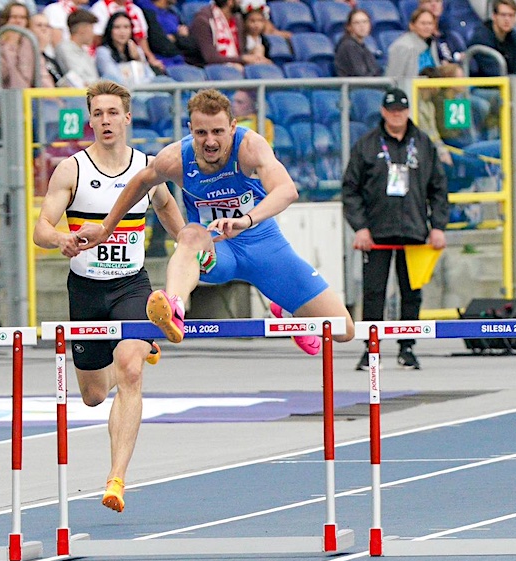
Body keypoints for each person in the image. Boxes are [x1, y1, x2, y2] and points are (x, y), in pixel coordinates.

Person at [76, 88, 355, 355]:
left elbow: (286, 190)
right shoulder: (175, 158)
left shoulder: (249, 147)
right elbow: (139, 182)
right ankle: (174, 306)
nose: (210, 141)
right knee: (190, 234)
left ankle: (284, 306)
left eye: (218, 132)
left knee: (344, 329)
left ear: (232, 127)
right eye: (201, 133)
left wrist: (246, 220)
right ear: (190, 130)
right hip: (215, 252)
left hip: (263, 247)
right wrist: (106, 228)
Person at [32, 80, 185, 513]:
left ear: (127, 117)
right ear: (90, 119)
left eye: (112, 113)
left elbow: (173, 218)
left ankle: (116, 479)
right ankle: (141, 348)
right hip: (85, 289)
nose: (105, 121)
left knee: (131, 371)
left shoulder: (148, 168)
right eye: (97, 114)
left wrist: (199, 255)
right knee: (94, 395)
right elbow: (42, 227)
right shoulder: (72, 169)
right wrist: (60, 239)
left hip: (132, 285)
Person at [342, 88, 449, 371]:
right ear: (383, 112)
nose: (396, 115)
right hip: (376, 233)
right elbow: (350, 190)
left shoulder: (424, 144)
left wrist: (437, 226)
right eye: (391, 110)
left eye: (401, 110)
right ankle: (371, 348)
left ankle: (407, 347)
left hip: (414, 232)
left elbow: (438, 189)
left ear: (408, 111)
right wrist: (360, 228)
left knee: (411, 291)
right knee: (374, 291)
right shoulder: (366, 144)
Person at [469, 0, 516, 159]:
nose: (507, 20)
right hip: (482, 88)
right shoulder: (481, 35)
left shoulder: (515, 34)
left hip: (509, 83)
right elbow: (493, 73)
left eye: (511, 16)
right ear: (494, 16)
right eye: (503, 15)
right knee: (509, 97)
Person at [185, 0, 269, 70]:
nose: (241, 2)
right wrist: (242, 59)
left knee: (259, 52)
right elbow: (210, 57)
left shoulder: (237, 20)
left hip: (237, 66)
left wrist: (256, 56)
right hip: (210, 70)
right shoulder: (203, 20)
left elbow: (242, 51)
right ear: (230, 2)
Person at [96, 11, 155, 86]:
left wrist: (138, 59)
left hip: (143, 90)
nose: (122, 32)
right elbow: (112, 77)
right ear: (110, 30)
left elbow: (151, 75)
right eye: (117, 27)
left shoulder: (137, 49)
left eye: (126, 27)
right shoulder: (103, 52)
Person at [383, 7, 439, 80]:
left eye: (430, 23)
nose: (427, 27)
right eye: (423, 23)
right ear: (412, 26)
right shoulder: (402, 46)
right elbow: (394, 78)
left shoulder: (431, 43)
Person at [55, 8, 100, 86]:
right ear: (82, 29)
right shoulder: (65, 48)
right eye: (91, 28)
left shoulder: (84, 51)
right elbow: (78, 78)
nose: (93, 34)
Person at [333, 8, 380, 77]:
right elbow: (361, 74)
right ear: (349, 27)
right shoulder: (349, 46)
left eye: (365, 22)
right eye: (357, 23)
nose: (362, 26)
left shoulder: (362, 46)